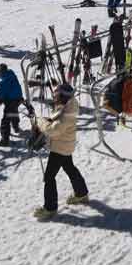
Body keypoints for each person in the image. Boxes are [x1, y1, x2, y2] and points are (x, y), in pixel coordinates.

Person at [33, 84, 89, 220]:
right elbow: (56, 121)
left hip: (60, 148)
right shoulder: (68, 106)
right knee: (69, 168)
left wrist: (40, 122)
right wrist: (49, 120)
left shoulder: (67, 113)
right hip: (65, 144)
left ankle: (50, 208)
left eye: (56, 96)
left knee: (49, 177)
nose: (54, 98)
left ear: (62, 96)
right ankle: (81, 194)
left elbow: (54, 130)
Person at [0, 64, 28, 146]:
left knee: (5, 120)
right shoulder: (11, 75)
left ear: (1, 72)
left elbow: (1, 94)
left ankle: (5, 140)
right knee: (13, 112)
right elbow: (10, 85)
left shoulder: (4, 82)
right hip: (18, 98)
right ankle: (16, 126)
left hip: (11, 100)